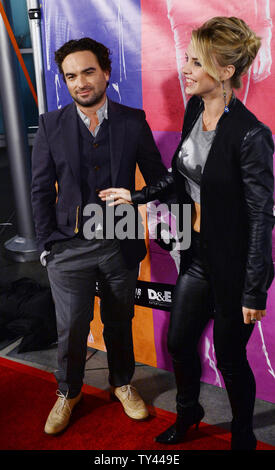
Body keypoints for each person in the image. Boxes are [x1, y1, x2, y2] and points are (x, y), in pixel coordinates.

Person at [99, 17, 274, 450]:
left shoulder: (251, 135)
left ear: (226, 71)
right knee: (179, 342)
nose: (186, 68)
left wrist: (255, 291)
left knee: (232, 360)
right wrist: (136, 196)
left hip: (233, 268)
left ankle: (241, 434)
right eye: (187, 58)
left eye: (197, 61)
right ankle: (189, 411)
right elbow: (181, 176)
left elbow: (260, 219)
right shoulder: (196, 110)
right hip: (196, 255)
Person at [31, 37, 168, 435]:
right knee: (72, 325)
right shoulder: (50, 125)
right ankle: (69, 391)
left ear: (105, 73)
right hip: (67, 243)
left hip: (119, 237)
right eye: (71, 76)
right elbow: (41, 190)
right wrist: (46, 247)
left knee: (119, 320)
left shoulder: (131, 120)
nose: (80, 82)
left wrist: (137, 197)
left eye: (88, 72)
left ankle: (123, 383)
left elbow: (158, 177)